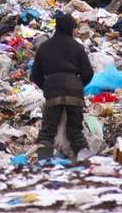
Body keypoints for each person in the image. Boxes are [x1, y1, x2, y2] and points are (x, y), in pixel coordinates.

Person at [30, 13, 94, 160]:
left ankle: (43, 164)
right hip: (75, 92)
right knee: (75, 132)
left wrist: (47, 87)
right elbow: (88, 72)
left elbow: (35, 75)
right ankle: (85, 163)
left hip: (53, 91)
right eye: (74, 28)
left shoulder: (44, 47)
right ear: (70, 28)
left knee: (47, 133)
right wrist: (78, 85)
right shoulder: (77, 47)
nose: (75, 31)